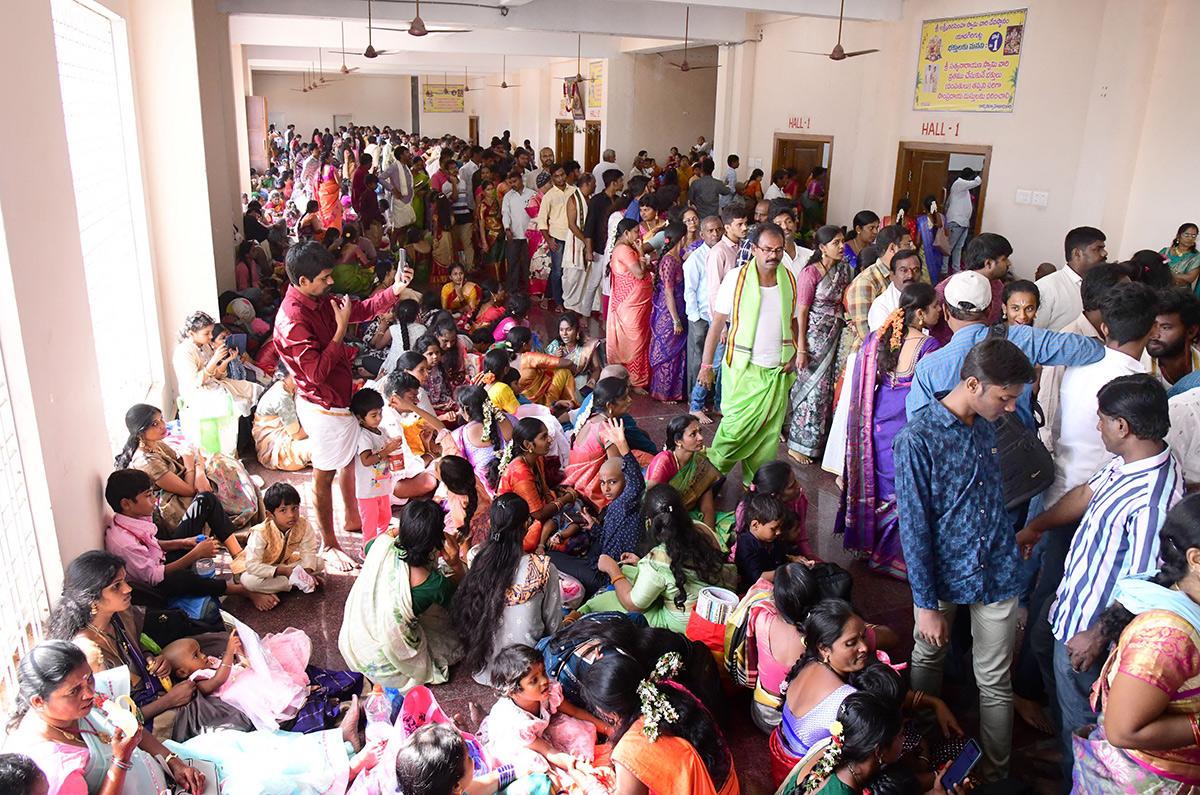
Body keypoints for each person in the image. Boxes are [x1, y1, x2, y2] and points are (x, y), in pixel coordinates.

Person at [1016, 374, 1182, 778]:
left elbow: (1146, 585)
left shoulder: (1154, 500)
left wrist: (1098, 635)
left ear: (1123, 427)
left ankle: (1077, 776)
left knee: (1082, 717)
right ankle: (1061, 747)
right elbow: (1086, 494)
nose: (1098, 426)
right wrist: (1036, 526)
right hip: (1069, 605)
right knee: (1044, 658)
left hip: (1092, 628)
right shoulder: (1130, 461)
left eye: (1102, 419)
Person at [894, 338, 1038, 781]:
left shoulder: (986, 424)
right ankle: (918, 758)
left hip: (995, 571)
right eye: (1005, 397)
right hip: (942, 576)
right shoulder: (917, 439)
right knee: (928, 659)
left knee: (994, 682)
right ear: (973, 384)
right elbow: (915, 529)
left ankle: (995, 777)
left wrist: (1011, 538)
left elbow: (990, 496)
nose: (1011, 408)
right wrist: (925, 603)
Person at [273, 239, 415, 571]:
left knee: (348, 463)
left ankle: (353, 517)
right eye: (325, 278)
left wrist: (394, 290)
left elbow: (359, 310)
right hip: (321, 406)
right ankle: (329, 544)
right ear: (303, 281)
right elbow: (317, 373)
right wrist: (339, 332)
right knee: (323, 474)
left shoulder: (319, 297)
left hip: (340, 400)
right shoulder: (292, 320)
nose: (331, 283)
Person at [1071, 496, 1200, 793]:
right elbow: (1123, 731)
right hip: (1148, 779)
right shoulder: (1166, 638)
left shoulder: (1185, 601)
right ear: (1195, 559)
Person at [908, 271, 1106, 430]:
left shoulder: (928, 367)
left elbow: (919, 427)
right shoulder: (1025, 338)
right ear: (991, 309)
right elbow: (1090, 349)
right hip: (1018, 464)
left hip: (961, 469)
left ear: (946, 312)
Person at [839, 282, 940, 580]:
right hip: (904, 424)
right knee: (903, 488)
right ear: (920, 314)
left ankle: (867, 548)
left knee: (879, 483)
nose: (940, 311)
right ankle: (891, 557)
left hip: (876, 422)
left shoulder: (878, 339)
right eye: (935, 307)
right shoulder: (929, 346)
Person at [1041, 282, 1158, 510]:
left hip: (1060, 483)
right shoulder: (1137, 387)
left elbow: (1057, 425)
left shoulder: (1080, 363)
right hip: (1096, 498)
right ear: (1153, 329)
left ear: (1104, 327)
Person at [701, 223, 800, 483]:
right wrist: (706, 366)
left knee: (767, 438)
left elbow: (793, 320)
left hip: (776, 372)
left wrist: (795, 351)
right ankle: (704, 481)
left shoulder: (788, 277)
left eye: (778, 250)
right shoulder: (736, 278)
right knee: (732, 433)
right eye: (767, 249)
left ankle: (755, 489)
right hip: (744, 371)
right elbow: (717, 323)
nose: (773, 256)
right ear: (754, 248)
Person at [338, 500, 465, 692]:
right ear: (437, 539)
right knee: (455, 641)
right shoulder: (433, 584)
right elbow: (463, 603)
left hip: (356, 646)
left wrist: (406, 530)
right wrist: (456, 564)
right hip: (386, 666)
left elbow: (371, 545)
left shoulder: (383, 544)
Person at [575, 484, 732, 632]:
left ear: (650, 522)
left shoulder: (657, 559)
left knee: (605, 602)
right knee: (632, 570)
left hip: (685, 626)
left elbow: (633, 604)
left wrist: (612, 569)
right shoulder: (702, 529)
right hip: (715, 611)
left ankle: (575, 619)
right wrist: (641, 563)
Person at [581, 651, 740, 795]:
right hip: (728, 785)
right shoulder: (667, 690)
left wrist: (585, 783)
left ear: (611, 713)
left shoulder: (630, 751)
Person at [452, 494, 565, 686]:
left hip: (483, 672)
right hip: (526, 677)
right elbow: (554, 629)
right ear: (526, 526)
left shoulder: (475, 557)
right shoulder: (542, 569)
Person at [476, 645, 607, 793]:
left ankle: (482, 717)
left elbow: (575, 712)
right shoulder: (516, 722)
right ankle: (484, 721)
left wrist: (608, 729)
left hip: (538, 733)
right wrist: (574, 764)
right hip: (516, 743)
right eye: (534, 680)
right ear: (513, 692)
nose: (544, 681)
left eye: (543, 672)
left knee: (579, 730)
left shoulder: (548, 691)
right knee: (538, 766)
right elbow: (547, 750)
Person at [769, 599, 871, 786]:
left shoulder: (808, 663)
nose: (864, 647)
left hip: (781, 761)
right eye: (851, 643)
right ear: (824, 648)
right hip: (802, 776)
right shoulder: (846, 699)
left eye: (863, 637)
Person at [551, 419, 645, 597]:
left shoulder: (628, 502)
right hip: (601, 563)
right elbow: (607, 539)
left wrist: (622, 445)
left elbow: (636, 482)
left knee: (550, 557)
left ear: (626, 482)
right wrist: (593, 526)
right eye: (602, 483)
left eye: (613, 482)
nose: (606, 488)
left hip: (607, 577)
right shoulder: (615, 506)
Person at [787, 225, 852, 464]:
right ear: (822, 248)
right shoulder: (811, 272)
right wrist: (801, 347)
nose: (841, 246)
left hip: (836, 333)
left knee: (828, 390)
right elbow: (801, 312)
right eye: (836, 242)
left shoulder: (846, 270)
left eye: (843, 241)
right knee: (812, 389)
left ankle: (818, 443)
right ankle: (798, 444)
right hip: (814, 336)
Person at [563, 377, 653, 508]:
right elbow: (616, 471)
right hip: (592, 489)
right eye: (624, 397)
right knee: (650, 473)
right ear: (610, 406)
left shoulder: (592, 419)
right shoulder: (607, 432)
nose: (630, 400)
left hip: (577, 479)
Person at [230, 482, 324, 597]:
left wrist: (306, 575)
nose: (291, 515)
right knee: (249, 581)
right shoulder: (260, 533)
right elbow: (252, 566)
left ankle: (283, 586)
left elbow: (308, 551)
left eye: (294, 508)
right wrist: (284, 571)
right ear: (270, 515)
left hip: (285, 564)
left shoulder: (303, 525)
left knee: (319, 563)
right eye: (283, 510)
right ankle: (293, 585)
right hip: (260, 570)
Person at [173, 311, 263, 418]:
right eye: (207, 333)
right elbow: (195, 382)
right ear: (192, 334)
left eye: (211, 332)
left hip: (216, 384)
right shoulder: (183, 352)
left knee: (255, 389)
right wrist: (214, 359)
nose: (211, 336)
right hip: (198, 393)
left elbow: (217, 376)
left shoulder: (205, 347)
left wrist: (225, 361)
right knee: (235, 406)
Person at [927, 232, 1012, 345]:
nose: (1009, 263)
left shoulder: (998, 286)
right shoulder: (948, 288)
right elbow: (927, 322)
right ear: (989, 263)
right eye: (1005, 259)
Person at [685, 215, 726, 424]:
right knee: (701, 362)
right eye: (710, 231)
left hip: (718, 318)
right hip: (700, 316)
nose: (715, 234)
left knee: (717, 362)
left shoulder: (725, 253)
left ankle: (714, 402)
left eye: (718, 230)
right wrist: (694, 318)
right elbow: (690, 290)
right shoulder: (695, 258)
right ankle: (695, 403)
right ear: (702, 234)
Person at [607, 218, 654, 390]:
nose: (639, 235)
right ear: (626, 233)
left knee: (636, 339)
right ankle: (636, 381)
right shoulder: (624, 250)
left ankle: (631, 378)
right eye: (636, 231)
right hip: (630, 306)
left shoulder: (625, 248)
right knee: (636, 340)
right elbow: (639, 274)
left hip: (632, 303)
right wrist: (641, 252)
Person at [1035, 226, 1108, 332]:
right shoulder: (1048, 287)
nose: (1104, 253)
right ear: (1077, 254)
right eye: (1098, 249)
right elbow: (1034, 335)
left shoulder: (1100, 286)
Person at [649, 222, 689, 402]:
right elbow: (668, 292)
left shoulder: (677, 257)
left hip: (678, 309)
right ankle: (663, 392)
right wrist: (675, 320)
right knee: (668, 352)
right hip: (669, 312)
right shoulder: (669, 261)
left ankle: (674, 390)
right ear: (682, 238)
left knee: (677, 353)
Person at [450, 384, 513, 494]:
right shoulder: (506, 420)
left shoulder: (459, 435)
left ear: (465, 409)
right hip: (513, 481)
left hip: (485, 493)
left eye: (460, 408)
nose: (459, 411)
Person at [252, 365, 312, 471]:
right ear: (293, 373)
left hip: (287, 438)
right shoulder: (282, 395)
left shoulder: (288, 387)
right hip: (276, 451)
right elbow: (296, 435)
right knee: (322, 446)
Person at [1144, 287, 1200, 389]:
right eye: (1151, 326)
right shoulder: (1137, 367)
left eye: (1165, 328)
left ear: (1191, 331)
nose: (1154, 335)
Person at [866, 250, 924, 333]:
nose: (910, 275)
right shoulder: (881, 305)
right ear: (892, 275)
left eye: (916, 270)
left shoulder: (927, 298)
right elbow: (882, 341)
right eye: (904, 270)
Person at [545, 314, 601, 395]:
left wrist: (591, 383)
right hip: (560, 383)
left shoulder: (588, 346)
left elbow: (596, 369)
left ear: (577, 331)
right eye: (561, 330)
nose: (564, 334)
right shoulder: (554, 346)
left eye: (568, 330)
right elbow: (547, 369)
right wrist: (555, 358)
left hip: (581, 383)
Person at [502, 169, 537, 293]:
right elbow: (505, 214)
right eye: (510, 182)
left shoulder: (532, 194)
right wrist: (507, 228)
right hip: (513, 234)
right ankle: (512, 289)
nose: (513, 184)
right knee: (513, 263)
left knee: (529, 263)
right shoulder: (508, 197)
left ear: (521, 180)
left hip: (530, 235)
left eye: (515, 181)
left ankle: (530, 289)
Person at [944, 167, 980, 274]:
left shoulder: (962, 189)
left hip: (962, 222)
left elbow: (948, 204)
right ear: (968, 177)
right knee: (949, 247)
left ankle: (956, 270)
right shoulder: (959, 183)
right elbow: (978, 182)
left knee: (958, 248)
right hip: (956, 222)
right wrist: (977, 175)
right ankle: (944, 270)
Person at [914, 194, 946, 285]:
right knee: (934, 279)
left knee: (924, 281)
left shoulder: (922, 220)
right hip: (938, 254)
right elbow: (947, 235)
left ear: (924, 207)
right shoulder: (943, 218)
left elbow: (918, 241)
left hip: (925, 255)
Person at [441, 263, 481, 332]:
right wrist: (459, 310)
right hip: (451, 318)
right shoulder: (446, 288)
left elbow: (471, 311)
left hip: (467, 320)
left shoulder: (471, 288)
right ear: (450, 277)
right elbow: (445, 310)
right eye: (455, 274)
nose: (459, 277)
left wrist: (460, 296)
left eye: (461, 273)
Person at [1162, 222, 1200, 293]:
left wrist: (1166, 275)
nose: (1190, 238)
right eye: (1187, 235)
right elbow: (1154, 267)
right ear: (1178, 236)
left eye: (1194, 236)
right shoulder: (1166, 251)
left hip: (1181, 295)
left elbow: (1190, 278)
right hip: (1161, 291)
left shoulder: (1196, 256)